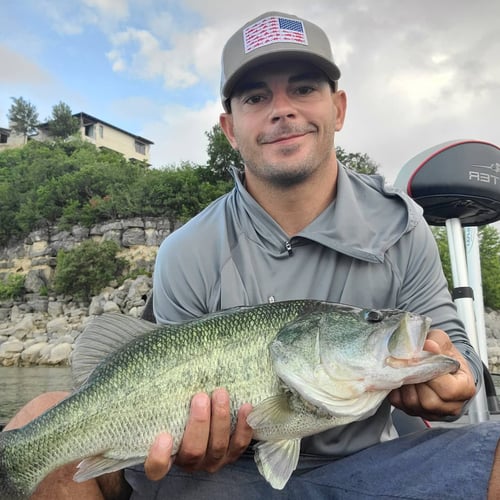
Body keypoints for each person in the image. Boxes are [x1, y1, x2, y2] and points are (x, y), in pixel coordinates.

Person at [4, 11, 499, 499]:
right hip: (222, 479)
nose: (282, 110)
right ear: (229, 128)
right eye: (256, 97)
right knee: (39, 421)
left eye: (303, 88)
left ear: (339, 108)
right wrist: (197, 442)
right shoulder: (188, 250)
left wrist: (458, 375)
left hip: (370, 466)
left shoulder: (401, 224)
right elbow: (160, 394)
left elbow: (455, 347)